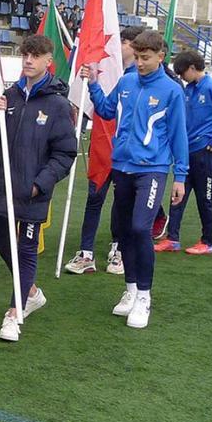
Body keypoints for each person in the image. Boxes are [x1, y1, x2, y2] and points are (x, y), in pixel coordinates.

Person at [81, 30, 188, 329]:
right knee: (123, 229)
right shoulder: (127, 81)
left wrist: (180, 176)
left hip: (152, 169)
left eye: (146, 58)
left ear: (160, 57)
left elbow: (179, 135)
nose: (140, 63)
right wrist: (93, 84)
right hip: (122, 167)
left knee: (141, 227)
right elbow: (104, 110)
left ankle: (144, 296)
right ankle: (129, 290)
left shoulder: (171, 91)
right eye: (137, 57)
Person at [0, 34, 76, 342]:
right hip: (3, 188)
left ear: (48, 62)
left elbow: (65, 153)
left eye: (35, 56)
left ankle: (14, 313)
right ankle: (32, 291)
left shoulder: (57, 105)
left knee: (25, 251)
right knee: (2, 245)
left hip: (33, 192)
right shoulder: (9, 95)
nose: (28, 60)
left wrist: (41, 184)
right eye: (25, 55)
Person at [63, 25, 145, 275]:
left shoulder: (144, 79)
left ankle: (119, 249)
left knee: (123, 202)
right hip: (102, 141)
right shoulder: (115, 73)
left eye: (124, 42)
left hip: (130, 151)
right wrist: (94, 84)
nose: (119, 46)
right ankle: (86, 252)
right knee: (95, 197)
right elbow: (106, 109)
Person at [152, 50, 212, 255]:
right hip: (186, 152)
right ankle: (172, 238)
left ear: (192, 68)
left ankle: (207, 241)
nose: (182, 77)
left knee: (205, 198)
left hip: (204, 153)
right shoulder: (189, 89)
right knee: (177, 196)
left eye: (183, 72)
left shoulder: (211, 87)